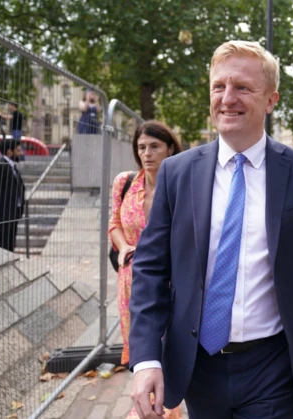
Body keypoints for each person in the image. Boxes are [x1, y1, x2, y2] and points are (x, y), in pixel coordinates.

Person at [128, 40, 293, 419]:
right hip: (197, 364)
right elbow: (149, 269)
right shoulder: (178, 173)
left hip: (271, 366)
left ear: (271, 100)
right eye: (218, 86)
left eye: (242, 87)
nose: (227, 98)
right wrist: (146, 358)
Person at [108, 120, 183, 419]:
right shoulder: (124, 183)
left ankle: (168, 406)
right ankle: (150, 407)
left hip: (172, 280)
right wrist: (124, 246)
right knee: (142, 348)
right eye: (141, 147)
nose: (147, 153)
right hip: (132, 281)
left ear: (170, 148)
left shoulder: (181, 184)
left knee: (170, 348)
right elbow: (114, 224)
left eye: (154, 146)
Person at [0, 139, 25, 251]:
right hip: (2, 215)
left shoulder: (13, 168)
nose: (20, 153)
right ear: (9, 152)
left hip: (12, 214)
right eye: (18, 150)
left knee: (9, 246)